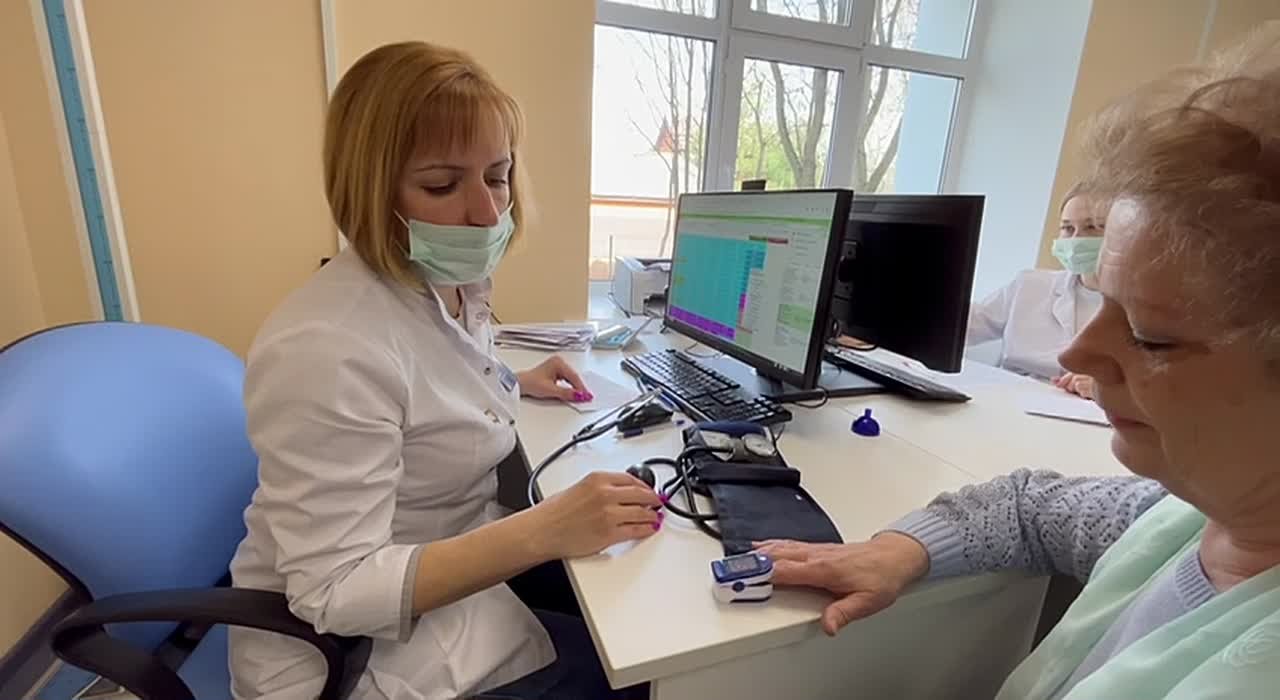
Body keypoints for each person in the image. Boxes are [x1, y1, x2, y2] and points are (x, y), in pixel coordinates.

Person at [760, 23, 1280, 699]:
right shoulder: (1183, 519)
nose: (1077, 351)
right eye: (1105, 302)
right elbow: (1028, 507)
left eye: (1151, 336)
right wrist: (896, 550)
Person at [228, 42, 659, 700]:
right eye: (441, 185)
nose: (486, 212)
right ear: (371, 190)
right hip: (346, 655)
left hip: (444, 561)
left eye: (498, 176)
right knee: (640, 673)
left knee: (625, 597)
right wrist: (547, 527)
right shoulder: (326, 347)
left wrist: (511, 381)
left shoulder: (446, 281)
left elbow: (432, 375)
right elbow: (335, 592)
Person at [966, 186, 1106, 398]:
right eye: (1067, 228)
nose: (1076, 239)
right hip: (1009, 397)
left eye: (1092, 227)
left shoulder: (1140, 305)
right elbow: (965, 325)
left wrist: (1106, 388)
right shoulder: (1030, 285)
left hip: (1082, 408)